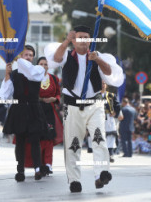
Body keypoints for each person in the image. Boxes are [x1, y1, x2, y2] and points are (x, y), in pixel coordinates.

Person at [45, 25, 124, 193]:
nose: (83, 41)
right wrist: (66, 40)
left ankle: (101, 173)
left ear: (91, 39)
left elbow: (109, 72)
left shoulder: (97, 56)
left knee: (99, 140)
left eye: (86, 37)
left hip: (94, 105)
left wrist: (98, 60)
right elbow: (56, 58)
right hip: (73, 106)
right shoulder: (67, 56)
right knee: (73, 144)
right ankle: (74, 179)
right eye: (79, 37)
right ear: (74, 40)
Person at [0, 45, 45, 181]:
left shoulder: (38, 70)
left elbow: (29, 72)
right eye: (26, 55)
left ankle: (37, 169)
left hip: (34, 109)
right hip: (19, 109)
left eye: (31, 55)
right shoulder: (13, 74)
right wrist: (7, 75)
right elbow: (5, 94)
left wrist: (18, 58)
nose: (28, 57)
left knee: (35, 141)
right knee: (20, 142)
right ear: (21, 56)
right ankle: (20, 170)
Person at [24, 56, 63, 176]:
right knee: (38, 138)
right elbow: (27, 94)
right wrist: (40, 98)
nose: (43, 66)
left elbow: (58, 95)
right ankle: (38, 164)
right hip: (36, 110)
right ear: (37, 66)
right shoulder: (32, 78)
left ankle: (48, 164)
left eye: (46, 64)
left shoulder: (54, 78)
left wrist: (53, 99)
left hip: (49, 111)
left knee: (49, 137)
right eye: (41, 64)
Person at [101, 81, 121, 163]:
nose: (102, 86)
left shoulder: (111, 95)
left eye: (103, 84)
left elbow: (117, 105)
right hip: (98, 117)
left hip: (109, 117)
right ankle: (102, 154)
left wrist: (115, 112)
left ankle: (111, 153)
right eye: (101, 84)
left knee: (111, 135)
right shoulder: (94, 95)